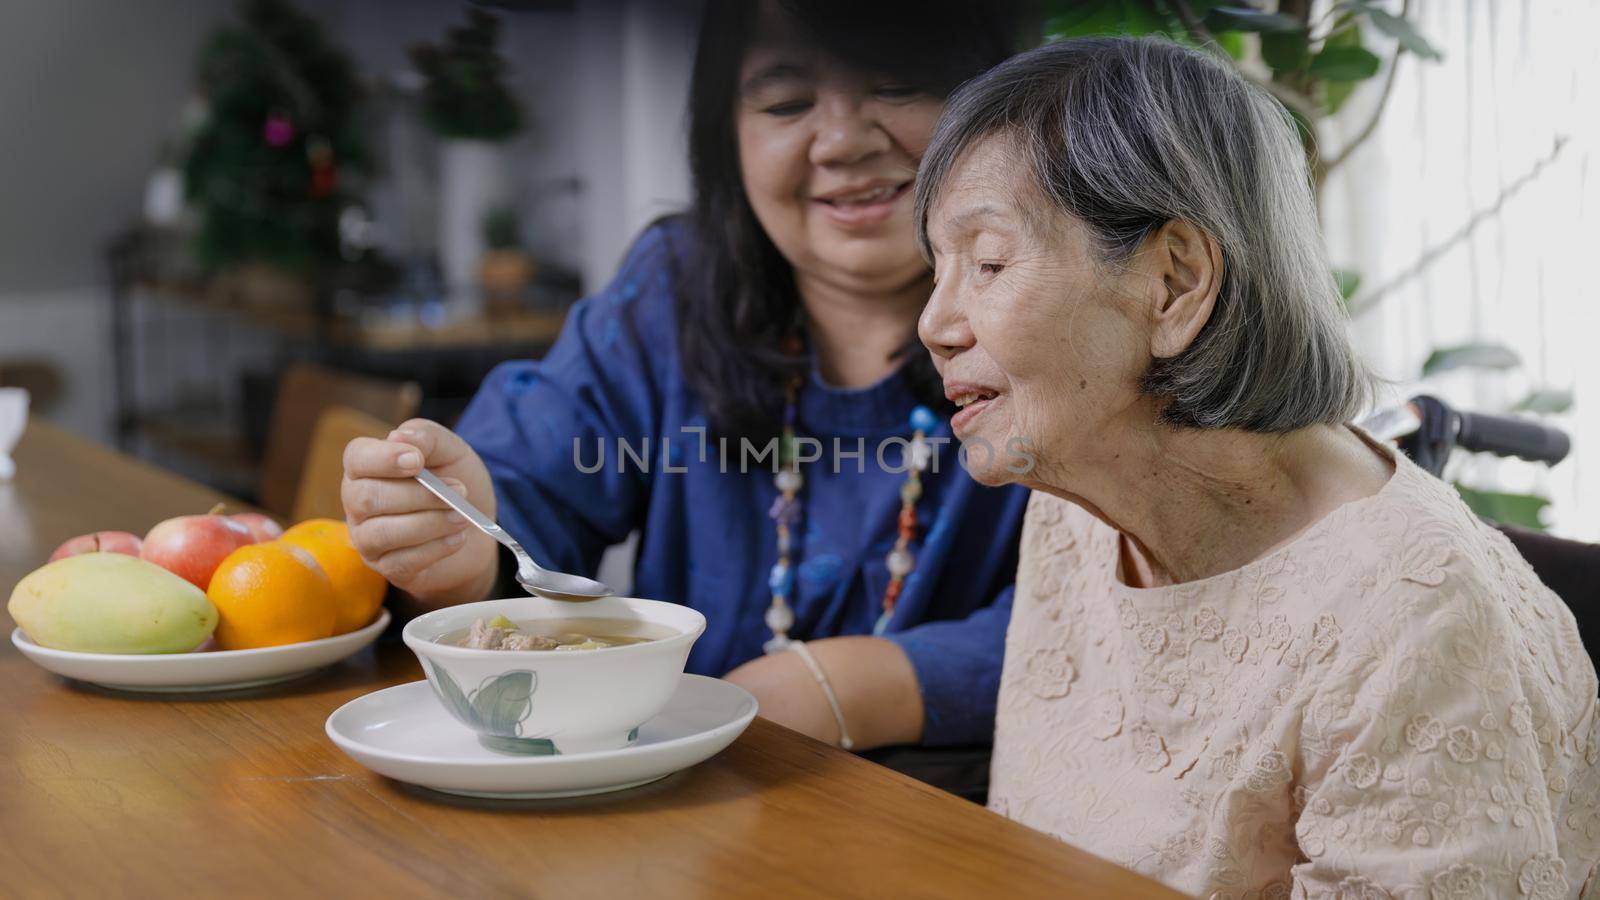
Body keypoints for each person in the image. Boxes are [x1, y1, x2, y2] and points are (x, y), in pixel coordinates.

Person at [913, 35, 1600, 897]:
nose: (934, 322)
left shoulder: (1411, 620)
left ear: (1174, 283)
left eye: (988, 263)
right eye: (936, 269)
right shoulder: (1077, 500)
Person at [340, 0, 1027, 753]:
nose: (841, 141)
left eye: (896, 83)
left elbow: (1134, 603)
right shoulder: (674, 291)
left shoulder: (1071, 314)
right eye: (787, 101)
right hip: (681, 807)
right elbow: (523, 486)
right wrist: (456, 546)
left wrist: (867, 686)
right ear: (723, 135)